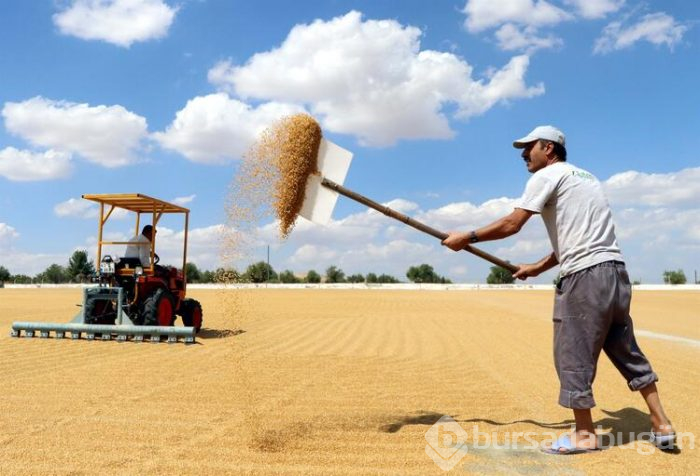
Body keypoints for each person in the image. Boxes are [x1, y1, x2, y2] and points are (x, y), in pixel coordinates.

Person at [442, 126, 676, 454]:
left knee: (572, 353)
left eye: (529, 148)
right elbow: (575, 237)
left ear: (548, 148)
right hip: (615, 273)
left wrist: (468, 236)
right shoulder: (587, 178)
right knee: (625, 349)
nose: (524, 154)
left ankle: (584, 435)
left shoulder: (546, 176)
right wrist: (538, 267)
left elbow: (513, 223)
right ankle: (661, 423)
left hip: (584, 277)